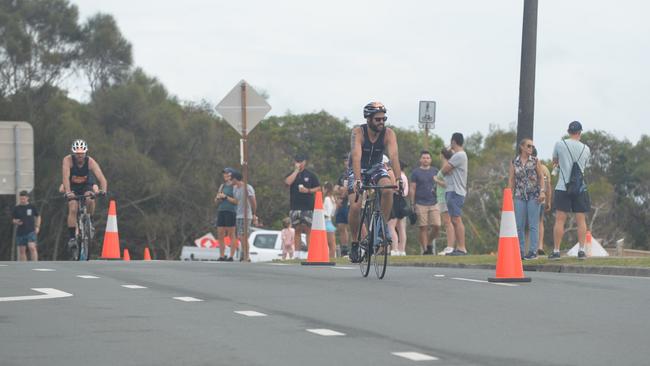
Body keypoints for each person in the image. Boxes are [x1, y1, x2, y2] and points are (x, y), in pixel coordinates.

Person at [347, 101, 403, 263]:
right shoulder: (358, 132)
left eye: (383, 119)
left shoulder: (389, 133)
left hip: (377, 166)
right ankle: (355, 243)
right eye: (378, 119)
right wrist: (357, 180)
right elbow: (356, 157)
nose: (381, 122)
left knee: (387, 189)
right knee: (356, 206)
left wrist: (398, 179)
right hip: (358, 168)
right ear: (368, 119)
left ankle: (380, 229)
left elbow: (393, 157)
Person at [550, 121, 591, 259]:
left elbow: (555, 161)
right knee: (581, 220)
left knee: (560, 220)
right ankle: (581, 250)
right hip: (580, 187)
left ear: (568, 131)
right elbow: (585, 166)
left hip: (563, 186)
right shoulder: (586, 148)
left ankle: (556, 251)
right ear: (580, 133)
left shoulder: (560, 144)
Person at [61, 139, 107, 251]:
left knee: (90, 198)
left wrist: (103, 190)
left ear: (85, 152)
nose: (80, 156)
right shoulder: (67, 160)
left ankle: (89, 220)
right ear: (73, 153)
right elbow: (65, 178)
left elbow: (102, 178)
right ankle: (72, 238)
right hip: (72, 187)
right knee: (73, 207)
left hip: (86, 185)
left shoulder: (90, 161)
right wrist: (68, 192)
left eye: (82, 153)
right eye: (77, 153)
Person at [508, 138, 546, 260]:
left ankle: (533, 251)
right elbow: (512, 179)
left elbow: (541, 177)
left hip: (533, 195)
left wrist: (542, 192)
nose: (531, 148)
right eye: (529, 146)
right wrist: (509, 195)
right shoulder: (515, 162)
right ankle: (520, 251)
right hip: (519, 195)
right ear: (522, 147)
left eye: (532, 146)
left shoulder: (535, 161)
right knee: (519, 224)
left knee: (533, 224)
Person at [284, 153, 320, 254]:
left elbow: (318, 188)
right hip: (295, 207)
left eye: (300, 161)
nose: (299, 163)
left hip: (307, 207)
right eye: (297, 161)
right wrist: (296, 171)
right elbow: (287, 182)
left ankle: (310, 253)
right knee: (297, 230)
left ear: (305, 162)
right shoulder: (292, 173)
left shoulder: (310, 175)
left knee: (308, 230)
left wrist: (308, 190)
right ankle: (297, 254)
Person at [441, 132, 468, 255]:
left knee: (456, 219)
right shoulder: (457, 156)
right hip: (452, 190)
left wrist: (445, 157)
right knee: (454, 219)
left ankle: (462, 247)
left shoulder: (459, 155)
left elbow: (444, 170)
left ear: (453, 142)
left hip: (455, 191)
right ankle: (459, 247)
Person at [409, 150, 440, 255]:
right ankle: (426, 250)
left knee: (437, 225)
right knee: (423, 227)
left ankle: (429, 243)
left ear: (430, 160)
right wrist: (412, 203)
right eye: (424, 158)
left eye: (427, 158)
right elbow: (412, 188)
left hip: (434, 202)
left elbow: (440, 185)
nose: (426, 160)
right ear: (420, 159)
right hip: (420, 203)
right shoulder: (415, 172)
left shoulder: (435, 171)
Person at [231, 171, 257, 262]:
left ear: (235, 179)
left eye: (231, 179)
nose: (230, 180)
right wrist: (226, 198)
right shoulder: (234, 188)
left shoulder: (247, 187)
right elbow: (236, 201)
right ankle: (243, 255)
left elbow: (253, 200)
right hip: (238, 215)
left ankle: (247, 256)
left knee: (243, 236)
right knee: (240, 236)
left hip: (246, 215)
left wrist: (254, 213)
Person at [434, 148, 456, 255]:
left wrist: (436, 180)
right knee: (447, 223)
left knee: (448, 222)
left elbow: (447, 183)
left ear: (442, 155)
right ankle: (450, 246)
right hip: (441, 197)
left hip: (445, 197)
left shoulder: (447, 166)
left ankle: (450, 246)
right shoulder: (446, 165)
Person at [214, 168, 238, 261]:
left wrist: (226, 197)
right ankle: (221, 255)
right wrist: (218, 198)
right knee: (220, 234)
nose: (226, 176)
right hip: (221, 210)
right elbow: (216, 201)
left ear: (231, 175)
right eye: (224, 174)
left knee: (231, 234)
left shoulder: (235, 186)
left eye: (227, 174)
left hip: (231, 211)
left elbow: (237, 201)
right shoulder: (222, 186)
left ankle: (231, 256)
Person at [533, 146, 552, 255]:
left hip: (532, 199)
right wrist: (549, 201)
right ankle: (540, 245)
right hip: (542, 199)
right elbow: (548, 187)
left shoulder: (527, 166)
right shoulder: (545, 169)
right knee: (540, 222)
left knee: (531, 223)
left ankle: (533, 246)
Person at [12, 191, 41, 261]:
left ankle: (35, 264)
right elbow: (13, 219)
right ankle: (24, 266)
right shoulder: (17, 208)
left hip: (31, 230)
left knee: (32, 247)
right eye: (21, 199)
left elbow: (38, 216)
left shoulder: (32, 206)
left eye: (24, 199)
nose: (22, 200)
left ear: (27, 198)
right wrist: (16, 222)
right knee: (22, 250)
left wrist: (37, 226)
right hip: (20, 232)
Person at [388, 160, 409, 256]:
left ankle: (395, 248)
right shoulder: (405, 177)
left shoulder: (399, 177)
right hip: (403, 200)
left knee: (391, 226)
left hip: (396, 200)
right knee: (401, 227)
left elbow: (396, 188)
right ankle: (402, 250)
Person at [335, 154, 350, 256]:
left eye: (347, 160)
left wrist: (341, 191)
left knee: (356, 227)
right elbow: (335, 188)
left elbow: (348, 189)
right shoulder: (342, 175)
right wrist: (338, 197)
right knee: (341, 226)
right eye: (345, 161)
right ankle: (344, 249)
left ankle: (359, 246)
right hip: (342, 204)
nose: (346, 162)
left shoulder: (354, 173)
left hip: (351, 203)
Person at [323, 182, 338, 259]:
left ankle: (331, 258)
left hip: (326, 222)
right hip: (329, 221)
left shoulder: (327, 199)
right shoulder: (332, 199)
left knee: (331, 244)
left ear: (326, 189)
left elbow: (327, 213)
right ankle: (330, 257)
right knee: (331, 243)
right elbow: (332, 213)